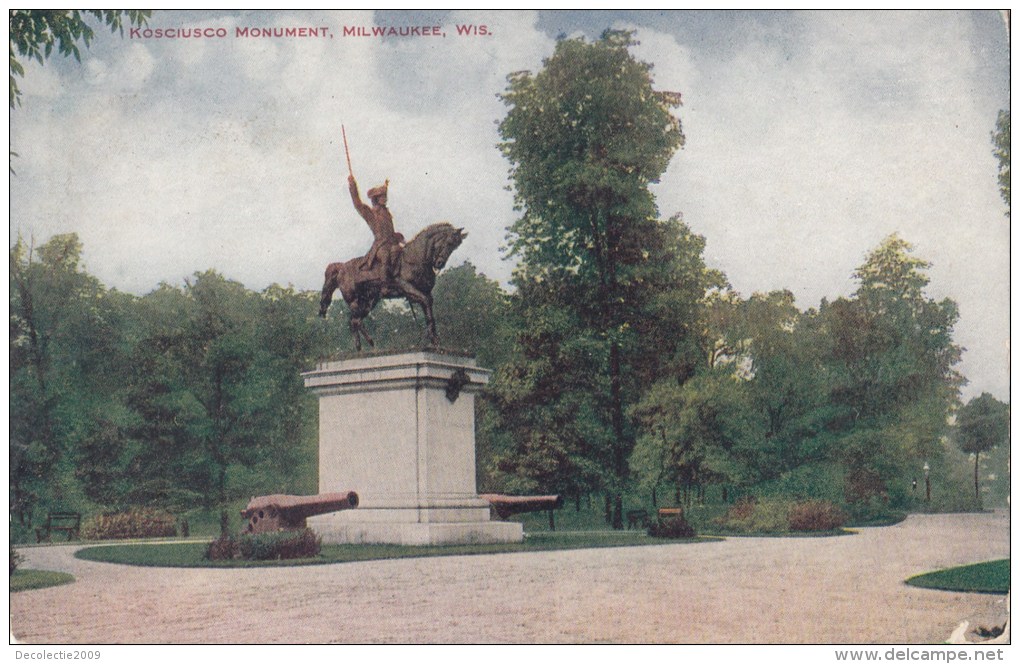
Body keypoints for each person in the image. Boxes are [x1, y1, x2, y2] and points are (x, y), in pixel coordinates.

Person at [348, 174, 403, 278]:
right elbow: (358, 204)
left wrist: (400, 238)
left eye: (385, 196)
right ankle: (384, 285)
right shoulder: (371, 213)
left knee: (400, 252)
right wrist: (352, 186)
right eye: (382, 197)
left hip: (392, 243)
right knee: (385, 256)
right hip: (380, 246)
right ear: (376, 199)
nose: (385, 199)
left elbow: (390, 232)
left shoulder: (387, 213)